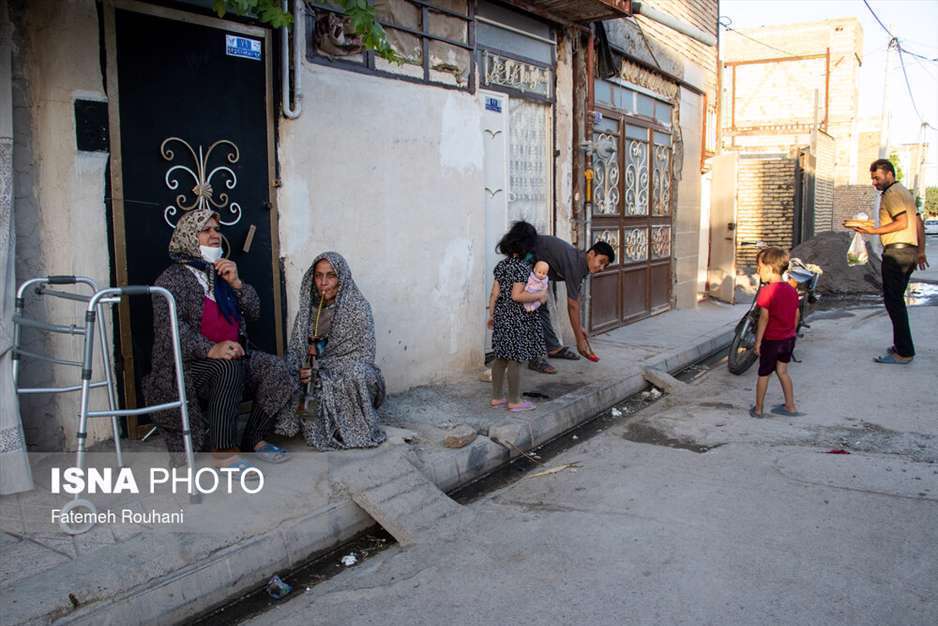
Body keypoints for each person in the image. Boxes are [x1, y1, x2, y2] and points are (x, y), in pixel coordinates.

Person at [144, 208, 297, 470]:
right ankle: (224, 452)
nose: (215, 235)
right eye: (206, 230)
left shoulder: (221, 273)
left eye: (216, 229)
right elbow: (170, 330)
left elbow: (255, 311)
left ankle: (254, 438)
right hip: (189, 367)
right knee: (226, 366)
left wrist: (237, 284)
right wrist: (211, 349)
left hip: (234, 357)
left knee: (278, 369)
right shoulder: (170, 280)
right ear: (189, 237)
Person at [283, 252, 386, 449]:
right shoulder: (307, 312)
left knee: (356, 375)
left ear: (342, 279)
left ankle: (352, 424)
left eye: (331, 276)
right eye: (318, 276)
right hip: (317, 378)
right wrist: (301, 369)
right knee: (294, 386)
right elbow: (296, 350)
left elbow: (363, 358)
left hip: (351, 378)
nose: (323, 283)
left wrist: (321, 369)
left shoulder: (358, 309)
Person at [851, 159, 921, 364]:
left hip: (896, 254)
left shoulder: (892, 194)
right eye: (872, 178)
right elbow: (917, 222)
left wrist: (872, 230)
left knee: (894, 303)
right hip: (909, 252)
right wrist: (921, 251)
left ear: (890, 174)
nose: (874, 183)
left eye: (877, 178)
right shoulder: (904, 191)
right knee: (896, 302)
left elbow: (903, 222)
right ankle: (901, 346)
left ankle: (904, 353)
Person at [528, 236, 614, 373]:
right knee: (531, 310)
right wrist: (579, 341)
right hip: (526, 258)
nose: (601, 268)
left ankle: (553, 348)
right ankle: (535, 358)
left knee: (541, 308)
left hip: (536, 266)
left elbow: (576, 297)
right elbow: (572, 305)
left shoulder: (583, 265)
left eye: (605, 265)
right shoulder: (577, 265)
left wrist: (579, 328)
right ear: (592, 254)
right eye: (601, 262)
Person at [487, 221, 547, 412]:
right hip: (516, 318)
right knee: (515, 359)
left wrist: (491, 314)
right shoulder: (522, 268)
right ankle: (514, 401)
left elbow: (495, 293)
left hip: (502, 315)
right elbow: (517, 295)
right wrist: (540, 295)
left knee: (500, 357)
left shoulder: (501, 265)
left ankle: (497, 397)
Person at [750, 247, 801, 418]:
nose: (758, 272)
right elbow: (796, 314)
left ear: (770, 269)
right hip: (788, 339)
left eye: (759, 267)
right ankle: (790, 406)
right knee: (783, 371)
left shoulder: (767, 291)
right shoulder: (792, 290)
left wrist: (758, 342)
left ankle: (758, 409)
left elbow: (764, 318)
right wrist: (791, 332)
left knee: (764, 373)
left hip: (772, 339)